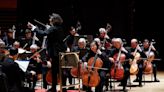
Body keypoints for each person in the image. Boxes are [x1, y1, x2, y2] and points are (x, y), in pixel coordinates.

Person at [27, 13, 67, 92]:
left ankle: (57, 88)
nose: (49, 20)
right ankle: (60, 87)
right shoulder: (59, 28)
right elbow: (51, 34)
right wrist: (48, 28)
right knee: (56, 71)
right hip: (58, 52)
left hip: (55, 53)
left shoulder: (53, 28)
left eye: (51, 19)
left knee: (56, 71)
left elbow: (43, 34)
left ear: (54, 20)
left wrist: (34, 28)